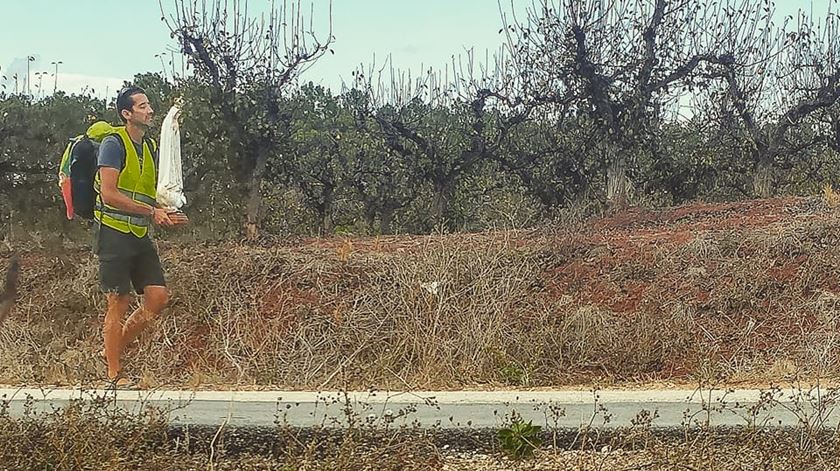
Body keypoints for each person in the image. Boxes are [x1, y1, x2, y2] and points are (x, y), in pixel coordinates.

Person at [94, 86, 188, 387]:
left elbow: (147, 194)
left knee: (158, 298)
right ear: (127, 114)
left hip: (138, 233)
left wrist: (164, 212)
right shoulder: (113, 144)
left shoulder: (148, 148)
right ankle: (113, 373)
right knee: (118, 301)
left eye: (149, 106)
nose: (150, 111)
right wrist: (151, 212)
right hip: (113, 233)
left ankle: (112, 350)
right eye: (143, 106)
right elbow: (109, 195)